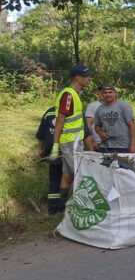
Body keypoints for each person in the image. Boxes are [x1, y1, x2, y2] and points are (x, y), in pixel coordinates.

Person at [49, 64, 91, 201]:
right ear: (77, 78)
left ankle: (61, 205)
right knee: (80, 174)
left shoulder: (75, 94)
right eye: (86, 76)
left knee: (67, 175)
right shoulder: (68, 95)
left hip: (75, 141)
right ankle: (78, 206)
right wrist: (55, 145)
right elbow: (60, 120)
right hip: (69, 143)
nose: (89, 79)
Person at [36, 106, 64, 214]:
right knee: (66, 180)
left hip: (53, 152)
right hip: (68, 151)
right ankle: (61, 208)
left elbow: (41, 134)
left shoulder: (49, 112)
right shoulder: (75, 109)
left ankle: (52, 210)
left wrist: (42, 150)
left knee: (54, 180)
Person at [94, 85, 135, 154]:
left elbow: (132, 125)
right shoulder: (100, 109)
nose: (108, 94)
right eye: (105, 93)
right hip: (106, 145)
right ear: (102, 95)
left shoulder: (124, 106)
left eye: (110, 92)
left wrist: (133, 143)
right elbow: (97, 126)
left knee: (123, 164)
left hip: (123, 145)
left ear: (115, 94)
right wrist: (100, 133)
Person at [84, 85, 103, 150]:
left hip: (112, 143)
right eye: (101, 92)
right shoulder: (92, 105)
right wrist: (92, 141)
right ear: (98, 93)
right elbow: (88, 125)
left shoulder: (115, 105)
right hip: (97, 142)